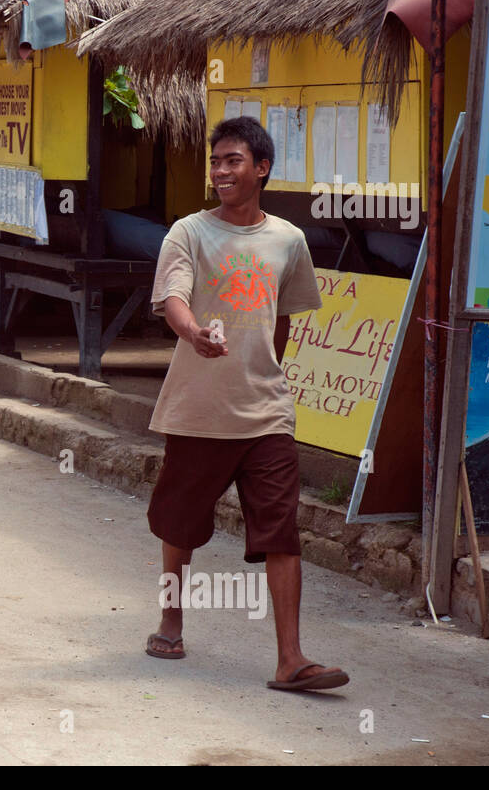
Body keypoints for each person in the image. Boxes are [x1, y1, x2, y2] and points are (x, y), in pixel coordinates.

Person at [143, 115, 348, 692]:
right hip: (198, 409)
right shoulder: (188, 231)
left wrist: (267, 374)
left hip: (267, 413)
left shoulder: (289, 240)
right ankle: (171, 618)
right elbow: (174, 297)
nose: (221, 171)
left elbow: (280, 320)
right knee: (180, 526)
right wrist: (194, 335)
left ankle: (291, 660)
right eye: (216, 161)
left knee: (281, 530)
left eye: (233, 160)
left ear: (261, 169)